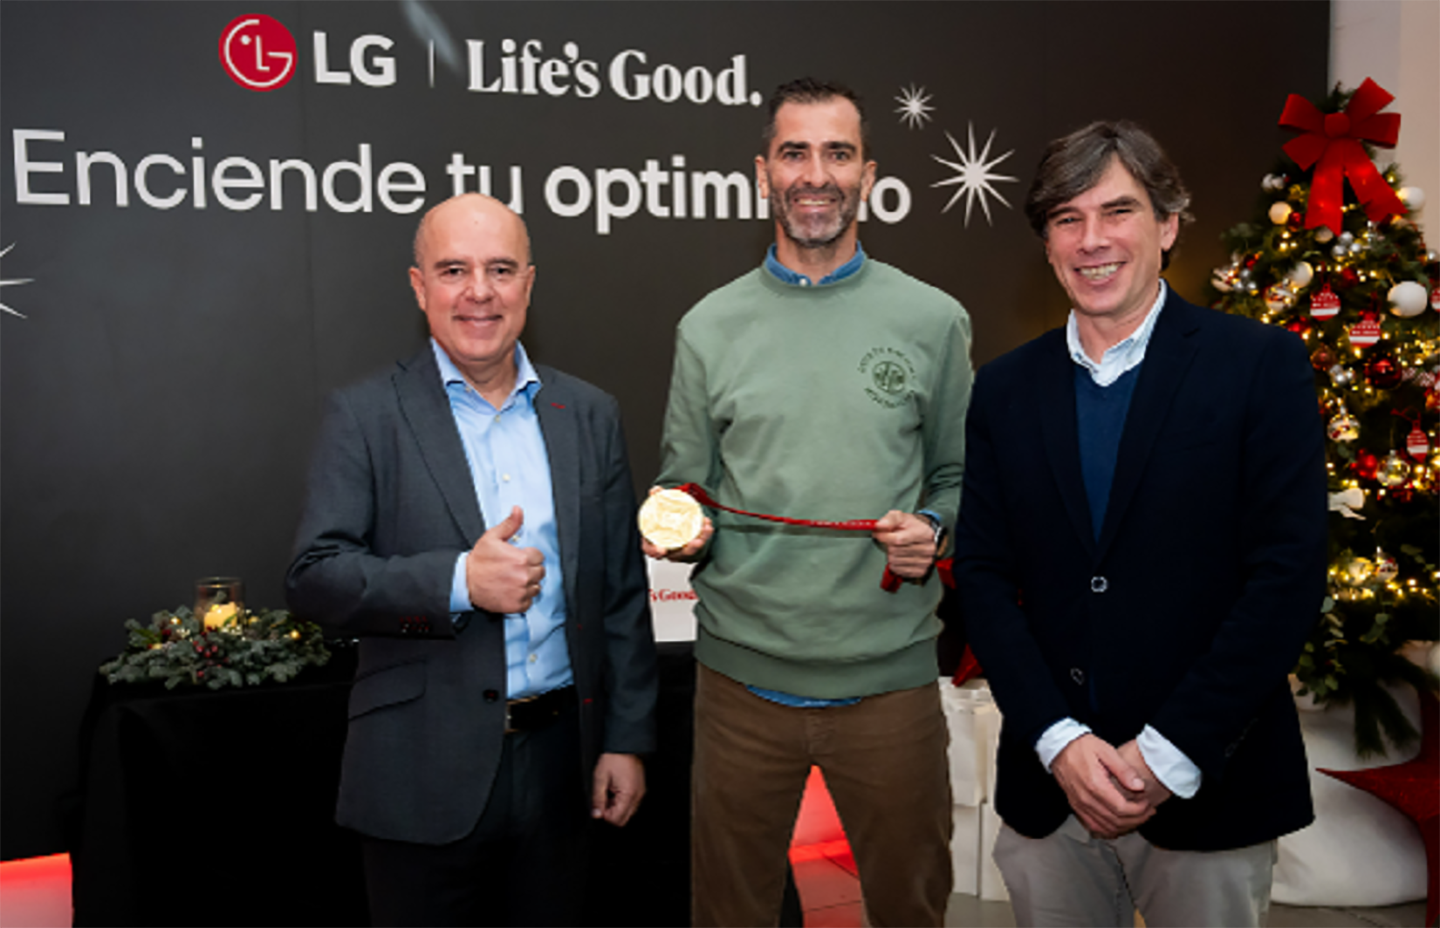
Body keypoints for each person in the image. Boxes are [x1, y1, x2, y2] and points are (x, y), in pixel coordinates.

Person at [954, 121, 1327, 928]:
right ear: (1046, 243)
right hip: (1050, 795)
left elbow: (1287, 578)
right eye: (1066, 218)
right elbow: (982, 576)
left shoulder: (1261, 367)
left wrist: (1166, 753)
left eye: (1117, 211)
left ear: (1167, 225)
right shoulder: (1005, 390)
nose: (1092, 241)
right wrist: (1057, 739)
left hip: (1209, 791)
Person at [648, 77, 973, 928]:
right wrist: (677, 526)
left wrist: (933, 530)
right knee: (730, 914)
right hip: (739, 686)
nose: (815, 174)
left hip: (891, 688)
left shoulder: (933, 320)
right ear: (764, 173)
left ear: (868, 173)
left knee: (913, 911)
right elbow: (684, 488)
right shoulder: (707, 328)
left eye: (837, 153)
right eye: (795, 152)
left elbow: (962, 479)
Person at [286, 193, 657, 928]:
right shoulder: (363, 416)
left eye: (500, 269)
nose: (479, 292)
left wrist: (625, 740)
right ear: (420, 286)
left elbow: (620, 595)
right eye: (453, 270)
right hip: (419, 775)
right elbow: (315, 575)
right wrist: (459, 581)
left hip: (562, 770)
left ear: (529, 283)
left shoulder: (588, 415)